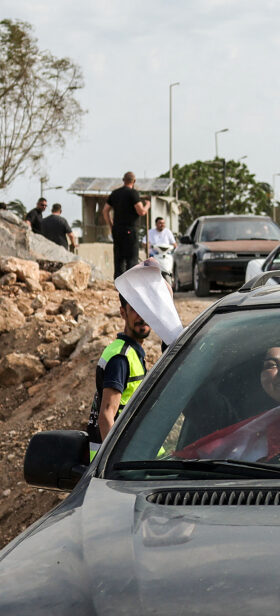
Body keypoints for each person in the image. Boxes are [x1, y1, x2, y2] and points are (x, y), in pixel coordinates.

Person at [86, 294, 150, 455]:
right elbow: (106, 416)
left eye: (146, 309)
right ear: (123, 313)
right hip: (116, 465)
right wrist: (115, 462)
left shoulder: (132, 353)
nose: (142, 316)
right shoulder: (121, 358)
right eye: (135, 309)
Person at [102, 172, 150, 278]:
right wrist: (147, 206)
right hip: (130, 230)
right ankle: (130, 287)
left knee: (119, 261)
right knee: (131, 260)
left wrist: (111, 225)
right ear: (134, 181)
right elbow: (141, 212)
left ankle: (120, 289)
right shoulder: (133, 193)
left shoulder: (115, 193)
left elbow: (105, 211)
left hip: (117, 230)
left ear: (123, 180)